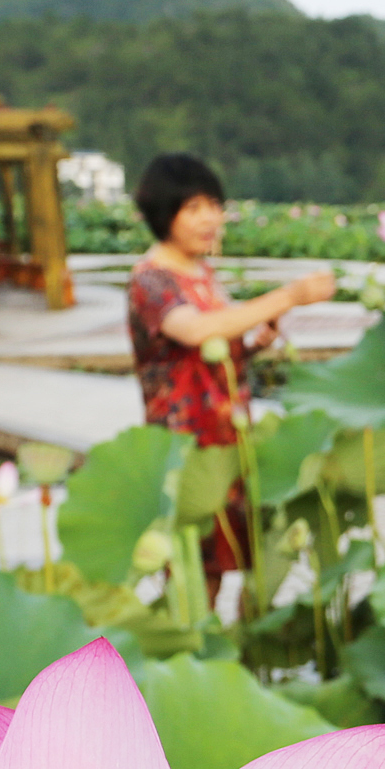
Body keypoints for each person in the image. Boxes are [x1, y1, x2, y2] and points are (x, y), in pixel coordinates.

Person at [126, 153, 332, 577]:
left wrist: (252, 345)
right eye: (193, 208)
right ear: (163, 214)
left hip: (227, 435)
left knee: (230, 557)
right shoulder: (152, 279)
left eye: (214, 205)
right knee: (193, 570)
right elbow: (195, 331)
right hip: (185, 442)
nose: (209, 219)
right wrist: (289, 296)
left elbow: (215, 346)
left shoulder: (202, 273)